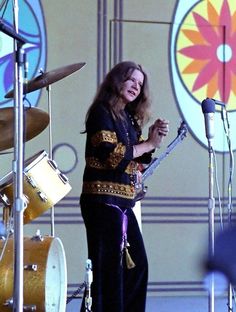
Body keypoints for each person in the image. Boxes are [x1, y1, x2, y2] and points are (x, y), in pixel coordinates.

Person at [80, 61, 169, 312]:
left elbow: (134, 157)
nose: (136, 87)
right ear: (117, 80)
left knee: (136, 267)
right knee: (108, 272)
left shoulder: (127, 117)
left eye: (140, 84)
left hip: (122, 204)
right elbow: (114, 156)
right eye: (131, 80)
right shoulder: (101, 111)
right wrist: (149, 144)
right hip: (102, 203)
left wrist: (153, 138)